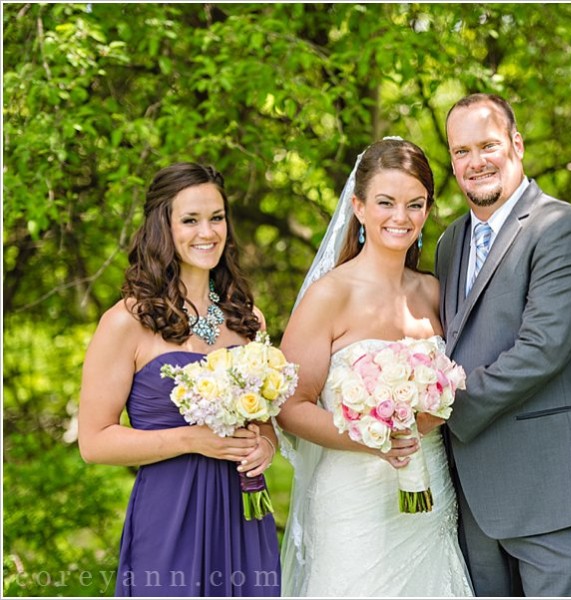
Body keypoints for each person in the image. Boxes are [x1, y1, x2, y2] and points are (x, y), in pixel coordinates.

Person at [274, 138, 473, 597]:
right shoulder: (329, 295)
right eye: (386, 203)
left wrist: (431, 413)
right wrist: (372, 439)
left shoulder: (433, 292)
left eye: (414, 204)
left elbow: (454, 388)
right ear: (359, 207)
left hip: (431, 491)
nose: (400, 217)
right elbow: (291, 406)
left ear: (426, 211)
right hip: (352, 499)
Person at [434, 93, 571, 596]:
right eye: (461, 151)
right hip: (474, 498)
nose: (475, 162)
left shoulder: (561, 229)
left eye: (487, 145)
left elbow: (542, 349)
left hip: (553, 496)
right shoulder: (450, 243)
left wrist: (441, 406)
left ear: (516, 144)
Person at [78, 162, 280, 596]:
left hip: (244, 510)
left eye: (216, 218)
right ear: (162, 227)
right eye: (190, 220)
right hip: (170, 512)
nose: (207, 232)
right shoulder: (125, 322)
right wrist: (192, 439)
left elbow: (266, 424)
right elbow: (94, 442)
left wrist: (266, 445)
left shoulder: (248, 318)